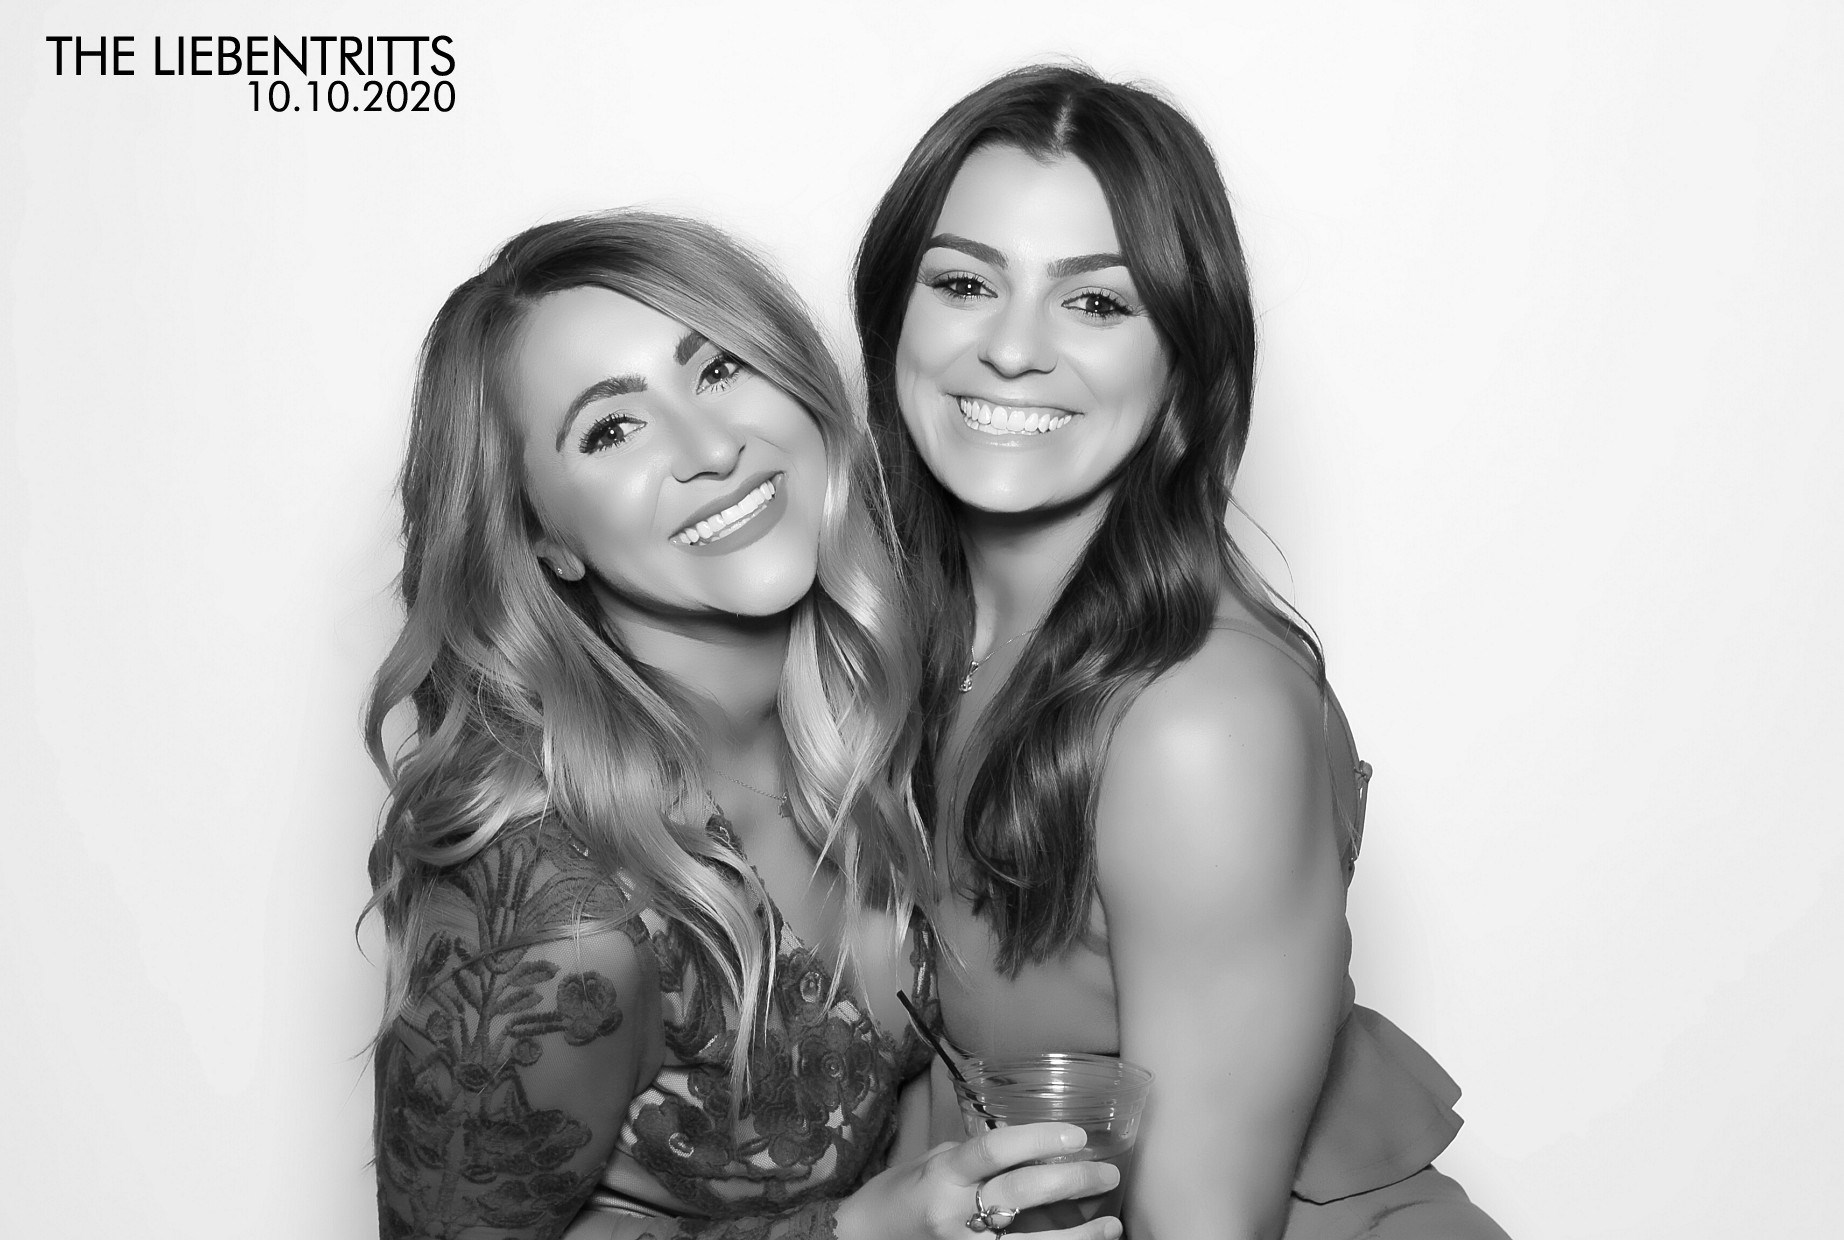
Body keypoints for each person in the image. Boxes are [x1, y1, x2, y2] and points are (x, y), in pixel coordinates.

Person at [365, 211, 1124, 1240]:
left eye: (719, 370)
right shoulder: (556, 911)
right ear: (545, 539)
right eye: (612, 429)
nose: (710, 449)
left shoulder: (889, 720)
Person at [853, 66, 1511, 1239]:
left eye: (1095, 303)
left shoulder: (1199, 722)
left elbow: (1202, 1222)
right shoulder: (910, 631)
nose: (1012, 349)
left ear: (1182, 361)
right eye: (962, 283)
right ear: (891, 315)